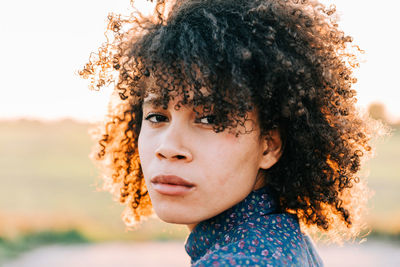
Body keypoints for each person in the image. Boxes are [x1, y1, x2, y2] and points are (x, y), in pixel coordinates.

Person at [80, 0, 379, 265]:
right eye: (158, 116)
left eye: (209, 119)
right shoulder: (278, 238)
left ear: (269, 146)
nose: (168, 147)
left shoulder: (239, 260)